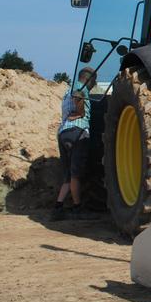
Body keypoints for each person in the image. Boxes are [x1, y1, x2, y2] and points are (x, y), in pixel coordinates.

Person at [52, 66, 96, 221]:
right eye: (94, 81)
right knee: (76, 174)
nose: (94, 85)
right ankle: (77, 208)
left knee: (69, 175)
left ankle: (58, 207)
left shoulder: (66, 90)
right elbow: (78, 96)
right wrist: (80, 113)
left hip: (63, 133)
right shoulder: (80, 87)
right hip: (77, 132)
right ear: (89, 79)